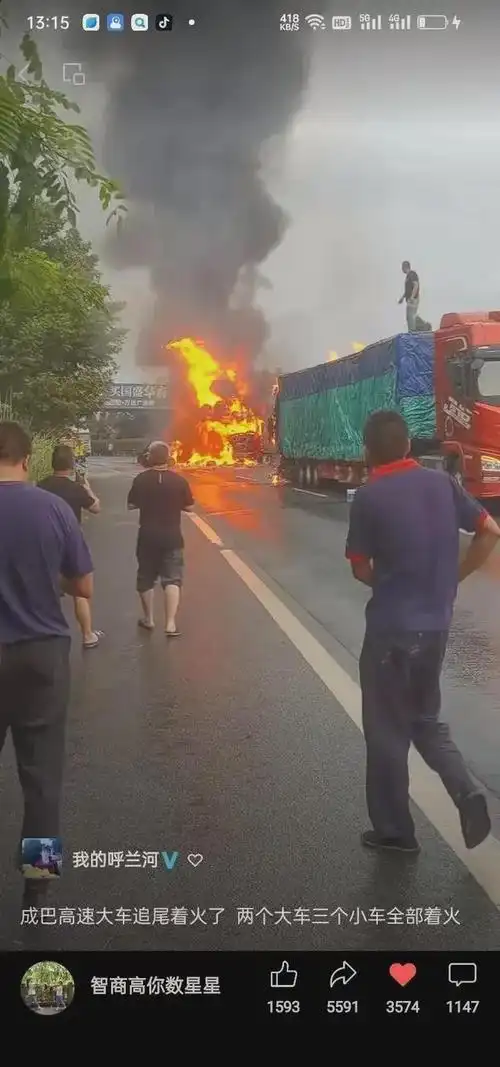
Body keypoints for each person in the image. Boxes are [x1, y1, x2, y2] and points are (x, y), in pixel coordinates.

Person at [345, 410, 500, 854]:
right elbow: (489, 531)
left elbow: (360, 568)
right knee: (425, 720)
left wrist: (389, 583)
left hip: (392, 632)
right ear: (409, 446)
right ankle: (466, 792)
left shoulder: (370, 497)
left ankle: (394, 831)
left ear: (368, 451)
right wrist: (452, 579)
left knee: (386, 730)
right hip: (435, 626)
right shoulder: (441, 483)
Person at [0, 422, 93, 885]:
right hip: (43, 656)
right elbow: (83, 585)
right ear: (24, 458)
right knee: (41, 782)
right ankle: (39, 880)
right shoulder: (54, 507)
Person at [127, 441, 194, 635]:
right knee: (172, 579)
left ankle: (149, 619)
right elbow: (189, 506)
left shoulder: (140, 480)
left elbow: (131, 505)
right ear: (168, 457)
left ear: (150, 457)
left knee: (146, 578)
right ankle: (170, 624)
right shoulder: (179, 481)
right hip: (172, 536)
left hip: (147, 536)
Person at [38, 444, 102, 649]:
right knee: (79, 591)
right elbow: (96, 508)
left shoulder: (40, 485)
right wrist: (87, 487)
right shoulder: (76, 488)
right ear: (71, 464)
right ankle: (87, 635)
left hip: (45, 541)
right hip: (71, 542)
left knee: (48, 589)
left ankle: (47, 635)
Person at [398, 260, 420, 331]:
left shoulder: (412, 273)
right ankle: (413, 330)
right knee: (409, 316)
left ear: (405, 267)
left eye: (402, 267)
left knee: (410, 316)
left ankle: (412, 332)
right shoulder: (408, 276)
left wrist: (412, 297)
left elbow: (416, 285)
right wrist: (402, 297)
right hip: (409, 299)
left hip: (413, 299)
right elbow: (408, 290)